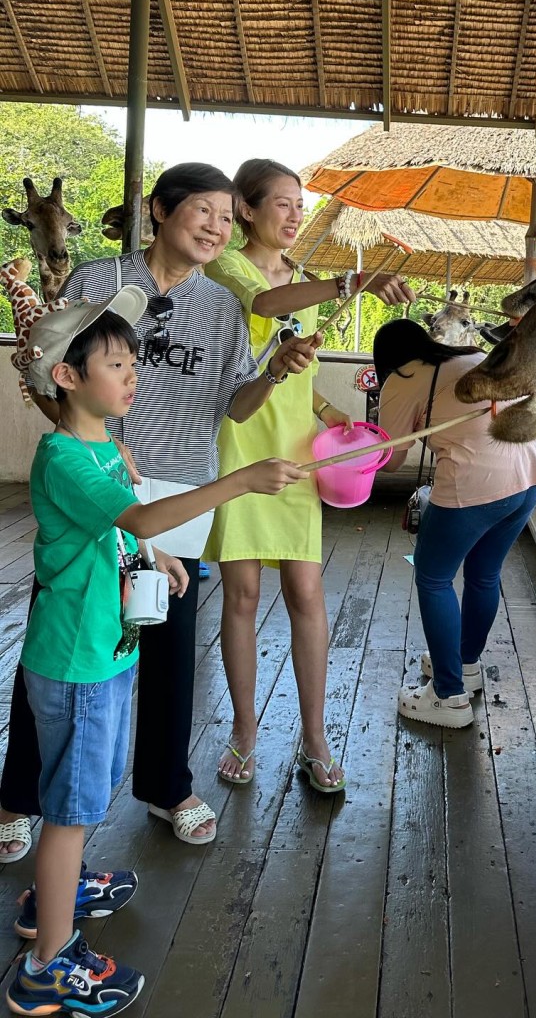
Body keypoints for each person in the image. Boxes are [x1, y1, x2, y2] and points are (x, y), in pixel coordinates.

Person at [0, 162, 319, 861]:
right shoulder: (97, 283)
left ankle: (166, 785)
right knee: (66, 634)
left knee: (170, 642)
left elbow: (233, 402)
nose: (216, 227)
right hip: (99, 479)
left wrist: (271, 372)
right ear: (158, 210)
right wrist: (103, 452)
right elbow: (42, 372)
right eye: (202, 211)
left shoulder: (226, 307)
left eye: (226, 218)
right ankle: (18, 795)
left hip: (183, 486)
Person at [7, 289, 305, 1016]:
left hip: (103, 651)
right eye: (116, 363)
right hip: (76, 660)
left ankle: (57, 886)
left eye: (133, 360)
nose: (132, 373)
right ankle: (46, 964)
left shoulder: (105, 445)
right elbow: (135, 508)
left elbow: (125, 523)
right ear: (69, 377)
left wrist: (151, 554)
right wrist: (235, 482)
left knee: (86, 786)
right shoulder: (62, 460)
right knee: (71, 809)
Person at [204, 158, 415, 791]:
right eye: (283, 203)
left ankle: (315, 737)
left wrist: (333, 414)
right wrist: (354, 281)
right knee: (240, 596)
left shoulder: (305, 279)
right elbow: (265, 304)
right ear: (246, 208)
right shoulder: (227, 266)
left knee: (307, 594)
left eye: (301, 203)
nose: (296, 214)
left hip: (297, 449)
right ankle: (243, 734)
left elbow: (293, 365)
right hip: (241, 442)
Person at [374, 319, 536, 728]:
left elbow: (393, 458)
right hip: (533, 471)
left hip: (480, 478)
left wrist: (356, 449)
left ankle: (448, 696)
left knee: (434, 578)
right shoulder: (472, 355)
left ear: (385, 359)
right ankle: (465, 666)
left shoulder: (402, 377)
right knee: (484, 574)